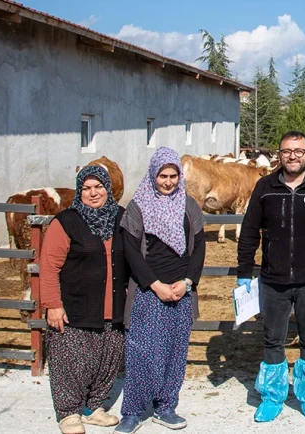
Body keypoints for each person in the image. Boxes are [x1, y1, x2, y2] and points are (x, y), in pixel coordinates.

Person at [236, 131, 305, 422]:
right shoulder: (265, 187)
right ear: (279, 155)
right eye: (287, 151)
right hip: (273, 279)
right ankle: (273, 396)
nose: (293, 156)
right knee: (273, 339)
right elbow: (249, 232)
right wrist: (244, 271)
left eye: (299, 150)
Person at [114, 147, 205, 433]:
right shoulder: (138, 206)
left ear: (180, 176)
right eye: (163, 176)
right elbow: (130, 251)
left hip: (181, 290)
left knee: (175, 351)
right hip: (148, 290)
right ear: (153, 175)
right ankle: (132, 410)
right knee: (141, 351)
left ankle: (166, 406)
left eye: (173, 175)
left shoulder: (189, 206)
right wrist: (155, 285)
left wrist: (187, 283)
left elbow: (199, 247)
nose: (168, 181)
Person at [40, 166, 128, 434]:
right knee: (70, 360)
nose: (93, 193)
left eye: (99, 187)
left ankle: (93, 408)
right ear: (80, 191)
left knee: (106, 359)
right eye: (87, 188)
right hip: (75, 306)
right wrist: (53, 304)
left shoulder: (121, 218)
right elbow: (49, 266)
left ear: (108, 189)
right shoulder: (66, 222)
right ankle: (68, 412)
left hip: (112, 307)